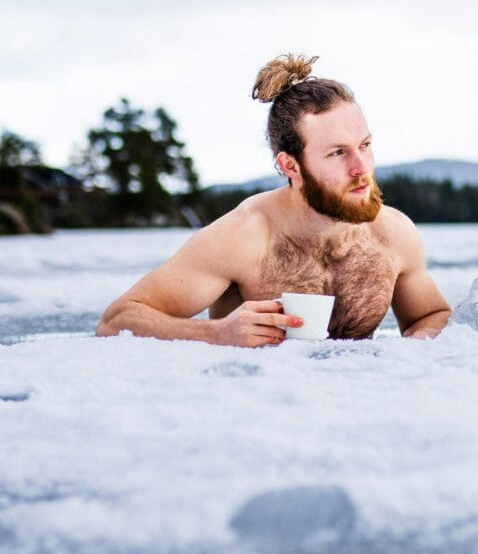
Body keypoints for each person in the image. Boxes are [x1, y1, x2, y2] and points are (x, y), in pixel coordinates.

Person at [96, 55, 452, 346]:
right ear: (290, 165)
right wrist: (215, 334)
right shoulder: (244, 237)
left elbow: (430, 316)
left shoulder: (393, 233)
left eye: (365, 146)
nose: (361, 168)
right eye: (337, 153)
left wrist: (410, 355)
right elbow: (117, 321)